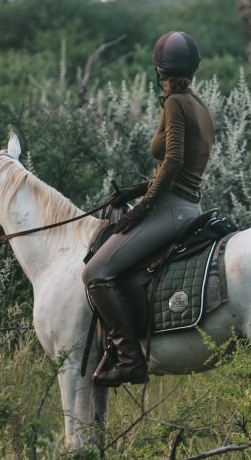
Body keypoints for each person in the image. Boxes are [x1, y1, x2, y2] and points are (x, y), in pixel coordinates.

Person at [82, 31, 215, 387]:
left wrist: (142, 208)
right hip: (189, 206)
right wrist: (137, 189)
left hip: (170, 209)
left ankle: (129, 359)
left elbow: (172, 161)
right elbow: (181, 166)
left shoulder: (174, 103)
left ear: (160, 70)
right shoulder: (199, 105)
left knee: (95, 273)